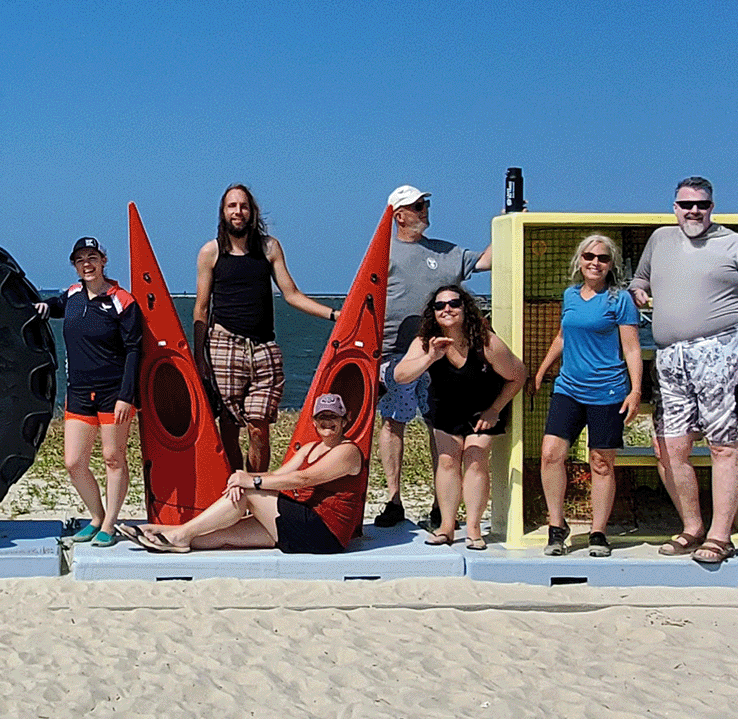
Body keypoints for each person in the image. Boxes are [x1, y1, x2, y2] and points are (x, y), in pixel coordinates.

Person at [629, 177, 738, 565]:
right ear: (674, 207)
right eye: (686, 204)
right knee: (669, 447)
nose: (694, 211)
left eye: (702, 205)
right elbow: (639, 278)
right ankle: (692, 527)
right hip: (671, 358)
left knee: (724, 445)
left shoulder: (737, 246)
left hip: (724, 352)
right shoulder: (659, 240)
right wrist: (638, 289)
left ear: (712, 207)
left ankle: (720, 536)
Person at [192, 184, 338, 473]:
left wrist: (335, 314)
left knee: (258, 428)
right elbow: (201, 308)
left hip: (263, 349)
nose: (238, 212)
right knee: (230, 427)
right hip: (224, 345)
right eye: (232, 206)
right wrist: (199, 358)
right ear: (223, 213)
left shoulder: (269, 248)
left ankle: (256, 487)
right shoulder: (210, 252)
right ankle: (234, 492)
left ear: (252, 211)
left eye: (243, 206)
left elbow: (292, 294)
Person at [373, 185, 494, 530]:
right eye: (418, 205)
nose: (425, 209)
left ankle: (442, 504)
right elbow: (365, 296)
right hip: (395, 352)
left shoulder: (445, 252)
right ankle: (393, 500)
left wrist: (509, 221)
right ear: (400, 215)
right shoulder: (383, 252)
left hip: (444, 356)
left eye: (425, 203)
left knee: (438, 425)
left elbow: (487, 260)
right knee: (393, 420)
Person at [119, 393, 367, 554]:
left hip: (325, 533)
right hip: (303, 525)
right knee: (225, 535)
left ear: (345, 420)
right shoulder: (311, 448)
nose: (327, 423)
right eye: (322, 418)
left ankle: (180, 535)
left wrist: (250, 481)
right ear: (314, 421)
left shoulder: (348, 452)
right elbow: (279, 475)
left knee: (248, 492)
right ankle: (163, 534)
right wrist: (243, 477)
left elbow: (304, 479)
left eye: (333, 418)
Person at [527, 235, 645, 557]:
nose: (595, 262)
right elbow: (563, 336)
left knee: (601, 462)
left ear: (611, 265)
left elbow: (632, 348)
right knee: (551, 454)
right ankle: (556, 526)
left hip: (607, 391)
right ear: (579, 260)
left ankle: (597, 532)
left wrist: (635, 391)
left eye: (603, 258)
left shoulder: (619, 300)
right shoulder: (570, 296)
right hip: (569, 388)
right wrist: (541, 371)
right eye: (589, 256)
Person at [390, 285, 525, 549]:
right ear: (433, 313)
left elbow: (517, 375)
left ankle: (474, 528)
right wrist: (430, 357)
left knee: (475, 458)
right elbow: (400, 376)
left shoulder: (485, 341)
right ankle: (446, 526)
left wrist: (495, 409)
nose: (447, 309)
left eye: (454, 303)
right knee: (448, 459)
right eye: (440, 306)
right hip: (447, 407)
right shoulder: (425, 340)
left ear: (465, 309)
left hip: (484, 408)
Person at [37, 236, 143, 547]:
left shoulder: (122, 300)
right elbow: (55, 304)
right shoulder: (71, 295)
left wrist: (127, 395)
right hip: (80, 392)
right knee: (74, 462)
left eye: (93, 257)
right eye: (81, 259)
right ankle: (96, 516)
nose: (87, 263)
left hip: (114, 394)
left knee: (113, 458)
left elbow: (135, 350)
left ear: (103, 261)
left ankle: (110, 522)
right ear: (74, 264)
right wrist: (43, 305)